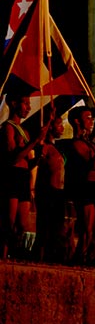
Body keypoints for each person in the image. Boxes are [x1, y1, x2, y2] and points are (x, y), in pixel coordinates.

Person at [0, 90, 49, 260]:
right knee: (9, 221)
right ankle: (3, 254)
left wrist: (38, 155)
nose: (28, 107)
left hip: (23, 178)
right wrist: (35, 141)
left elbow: (28, 163)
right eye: (25, 103)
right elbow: (13, 157)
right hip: (11, 176)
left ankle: (15, 253)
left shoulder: (25, 131)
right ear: (14, 104)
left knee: (22, 224)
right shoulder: (8, 127)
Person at [65, 105, 95, 265]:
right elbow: (94, 165)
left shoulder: (89, 142)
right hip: (85, 189)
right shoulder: (77, 143)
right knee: (87, 230)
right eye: (88, 117)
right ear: (77, 122)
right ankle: (78, 261)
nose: (91, 121)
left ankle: (89, 259)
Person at [32, 114, 68, 263]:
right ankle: (38, 259)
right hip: (47, 190)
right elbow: (36, 167)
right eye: (59, 124)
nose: (62, 128)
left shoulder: (57, 147)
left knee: (56, 229)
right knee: (44, 228)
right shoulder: (44, 147)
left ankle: (50, 258)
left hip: (58, 192)